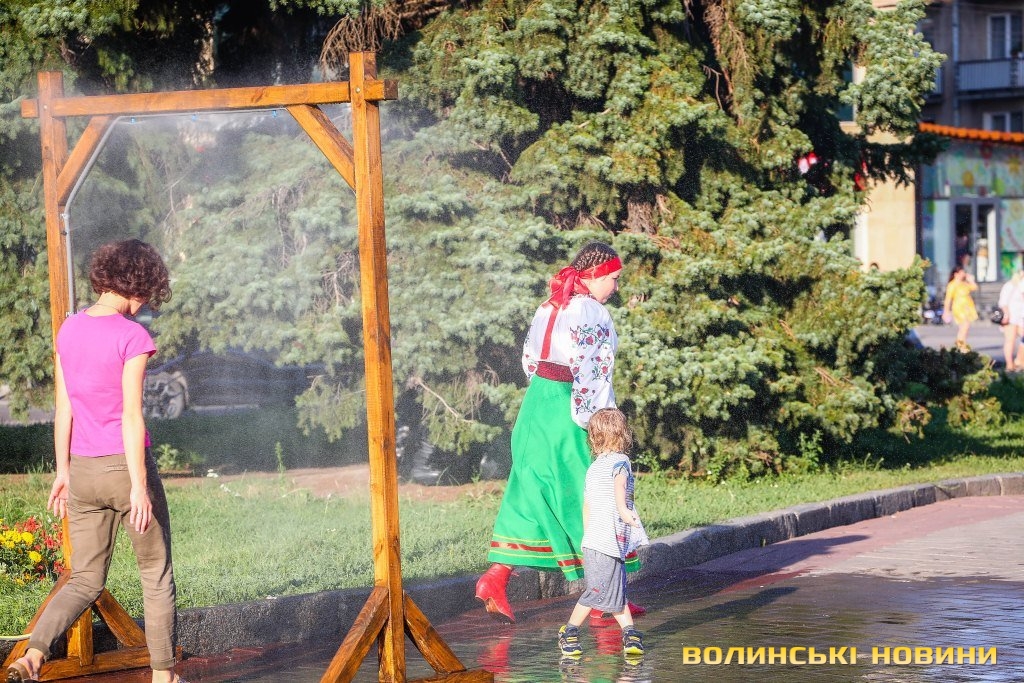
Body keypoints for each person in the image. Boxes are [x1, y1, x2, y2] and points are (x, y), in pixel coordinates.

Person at [6, 240, 184, 683]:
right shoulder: (132, 336)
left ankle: (32, 654)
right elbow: (130, 416)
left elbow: (63, 408)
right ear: (137, 284)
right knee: (155, 574)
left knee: (84, 579)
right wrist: (139, 486)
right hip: (125, 470)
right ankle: (163, 677)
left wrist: (63, 472)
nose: (147, 302)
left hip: (83, 470)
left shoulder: (69, 330)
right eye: (147, 292)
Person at [475, 241, 641, 623]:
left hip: (536, 406)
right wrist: (599, 418)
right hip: (569, 408)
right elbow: (593, 369)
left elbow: (529, 360)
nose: (616, 287)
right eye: (614, 279)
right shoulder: (592, 311)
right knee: (591, 494)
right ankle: (607, 597)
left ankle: (495, 578)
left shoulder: (550, 305)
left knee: (530, 491)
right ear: (596, 275)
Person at [556, 408, 648, 659]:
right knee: (596, 591)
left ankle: (630, 633)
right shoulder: (622, 461)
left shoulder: (594, 468)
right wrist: (624, 510)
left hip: (598, 540)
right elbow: (620, 485)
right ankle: (569, 632)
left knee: (616, 590)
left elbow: (587, 505)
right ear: (623, 434)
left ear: (594, 438)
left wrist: (586, 537)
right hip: (606, 541)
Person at [942, 265, 978, 350]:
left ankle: (961, 345)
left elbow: (974, 287)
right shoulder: (952, 284)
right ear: (956, 274)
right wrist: (946, 311)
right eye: (961, 272)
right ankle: (961, 347)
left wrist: (971, 280)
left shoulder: (964, 283)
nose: (963, 274)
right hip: (959, 308)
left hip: (967, 308)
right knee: (964, 327)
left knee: (964, 328)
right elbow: (948, 299)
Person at [997, 271, 1024, 371]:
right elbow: (1003, 302)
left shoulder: (1021, 285)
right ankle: (1009, 364)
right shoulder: (1009, 286)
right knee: (1010, 340)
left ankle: (1019, 360)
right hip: (1011, 317)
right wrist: (1006, 314)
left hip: (1021, 317)